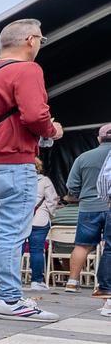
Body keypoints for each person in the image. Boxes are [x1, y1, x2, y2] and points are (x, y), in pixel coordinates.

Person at [0, 18, 63, 321]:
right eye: (41, 41)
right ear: (31, 40)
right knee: (11, 233)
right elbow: (36, 115)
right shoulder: (27, 69)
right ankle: (11, 299)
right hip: (13, 160)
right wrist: (52, 130)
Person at [60, 123, 111, 296]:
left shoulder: (83, 157)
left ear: (99, 138)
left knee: (82, 246)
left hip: (88, 207)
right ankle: (105, 285)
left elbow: (72, 186)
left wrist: (82, 194)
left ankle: (72, 282)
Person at [28, 157, 60, 291]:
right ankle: (36, 281)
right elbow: (53, 200)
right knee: (37, 250)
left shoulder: (17, 179)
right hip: (39, 220)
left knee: (15, 250)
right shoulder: (44, 181)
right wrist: (49, 212)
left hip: (19, 220)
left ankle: (11, 280)